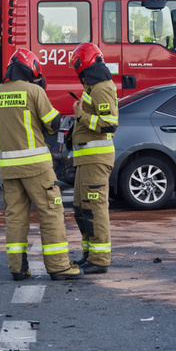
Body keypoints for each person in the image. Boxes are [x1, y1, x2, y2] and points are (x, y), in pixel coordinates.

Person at [0, 49, 83, 281]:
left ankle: (18, 268)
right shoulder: (34, 91)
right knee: (51, 213)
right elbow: (53, 124)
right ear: (32, 69)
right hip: (37, 168)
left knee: (15, 217)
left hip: (9, 169)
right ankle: (58, 266)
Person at [69, 42, 119, 274]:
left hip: (96, 158)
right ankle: (89, 255)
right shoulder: (92, 87)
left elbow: (109, 124)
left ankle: (99, 260)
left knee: (94, 208)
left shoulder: (101, 88)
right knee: (81, 208)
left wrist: (81, 115)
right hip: (86, 159)